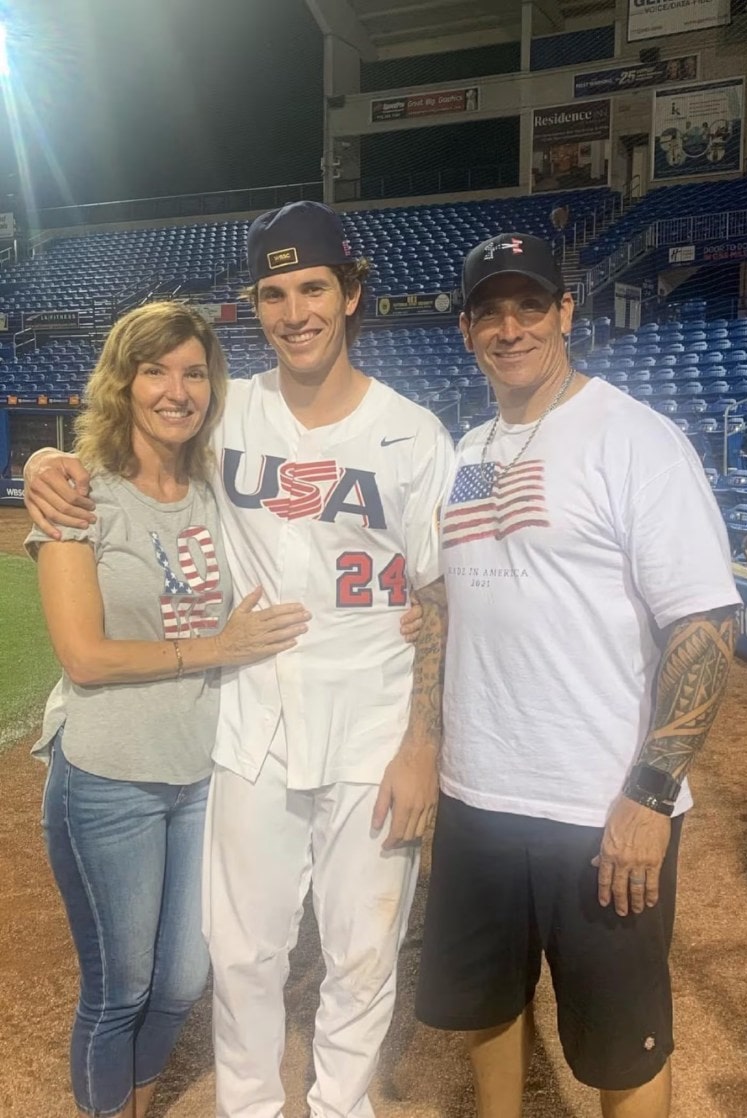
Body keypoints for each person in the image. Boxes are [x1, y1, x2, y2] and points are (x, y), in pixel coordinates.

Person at [24, 201, 453, 1118]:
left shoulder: (414, 433)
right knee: (244, 952)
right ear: (255, 306)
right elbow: (127, 443)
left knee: (363, 952)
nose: (294, 311)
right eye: (272, 292)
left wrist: (424, 741)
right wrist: (43, 465)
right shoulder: (229, 411)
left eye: (312, 288)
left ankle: (343, 1106)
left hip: (374, 731)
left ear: (352, 292)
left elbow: (439, 593)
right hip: (252, 723)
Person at [414, 232, 740, 1118]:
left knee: (619, 1043)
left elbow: (706, 621)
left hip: (599, 805)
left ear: (566, 311)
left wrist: (650, 794)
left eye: (530, 305)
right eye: (489, 310)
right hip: (478, 793)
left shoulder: (635, 437)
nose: (509, 326)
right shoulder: (465, 446)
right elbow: (440, 603)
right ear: (467, 329)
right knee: (488, 1009)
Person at [25, 302, 311, 1118]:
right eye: (155, 371)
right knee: (123, 986)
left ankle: (135, 1105)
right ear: (124, 382)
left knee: (184, 978)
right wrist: (217, 648)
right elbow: (85, 656)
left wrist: (400, 607)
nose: (175, 391)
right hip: (109, 776)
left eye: (193, 372)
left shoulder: (220, 487)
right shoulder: (84, 497)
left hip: (200, 776)